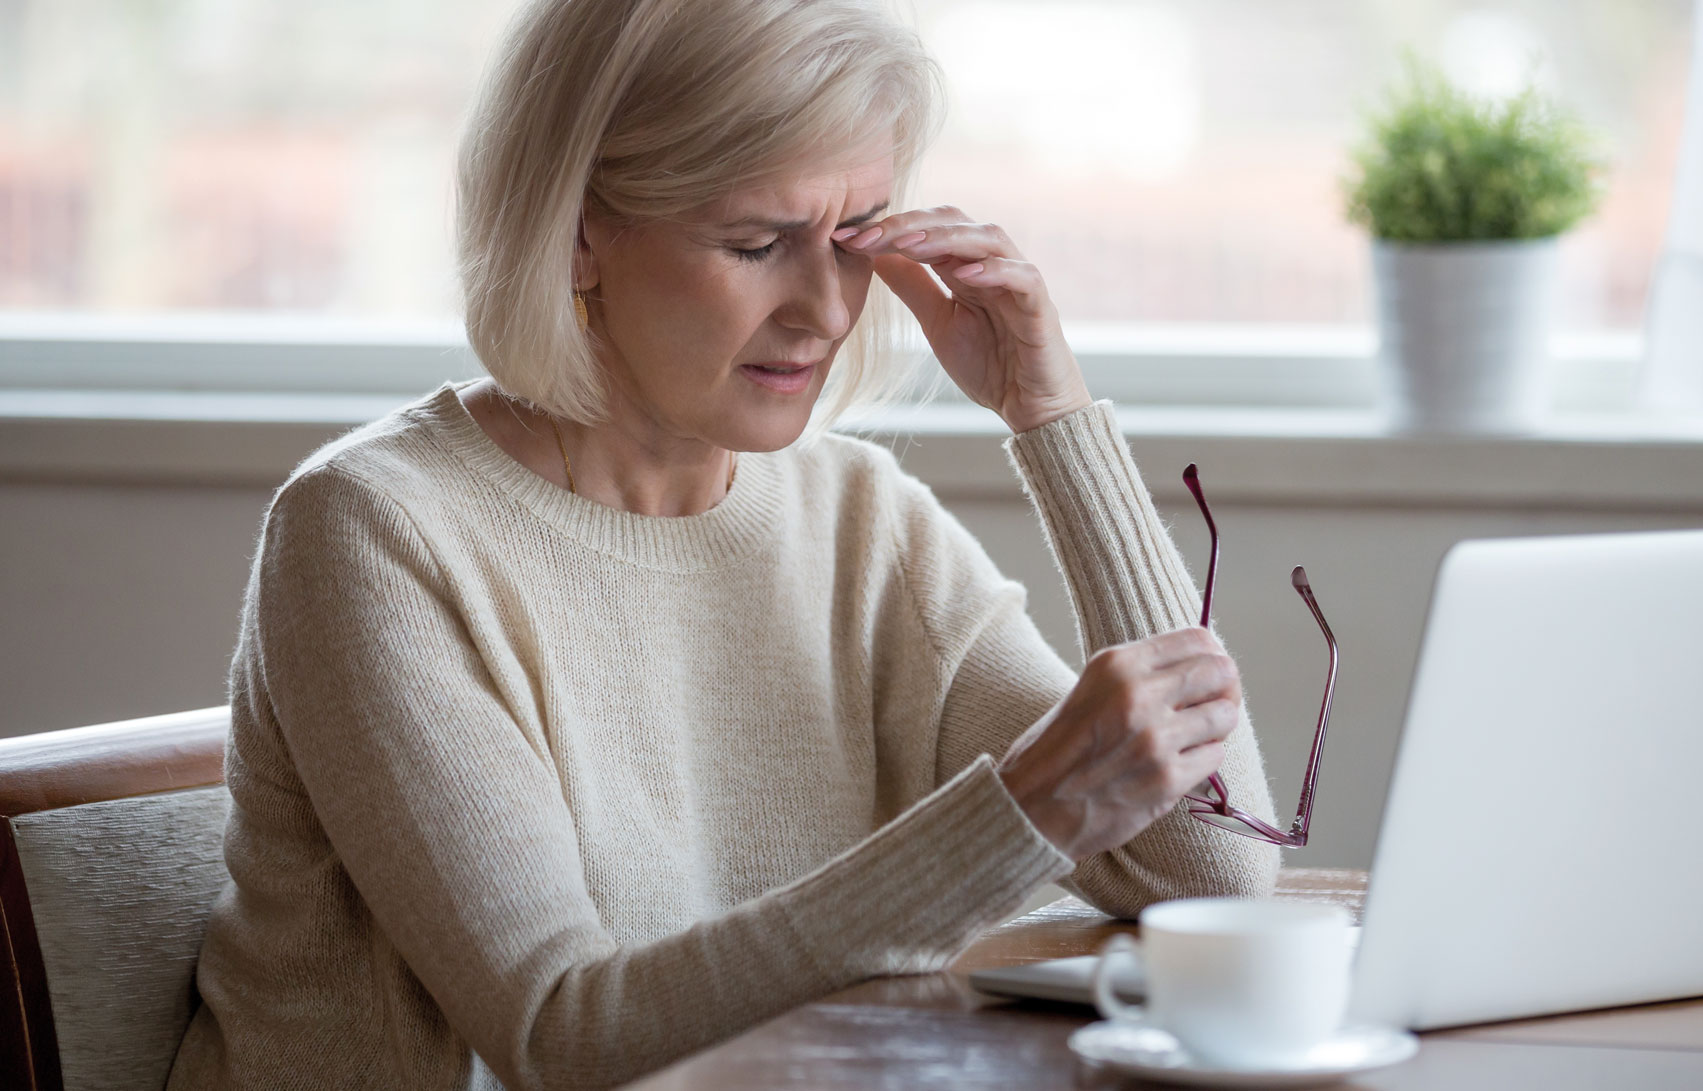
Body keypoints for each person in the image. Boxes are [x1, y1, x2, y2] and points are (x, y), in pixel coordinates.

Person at [166, 1, 1280, 1088]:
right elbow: (564, 1037)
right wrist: (1022, 816)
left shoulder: (856, 514)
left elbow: (1212, 872)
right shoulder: (375, 531)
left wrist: (1055, 417)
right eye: (758, 242)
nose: (828, 311)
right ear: (580, 232)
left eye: (854, 242)